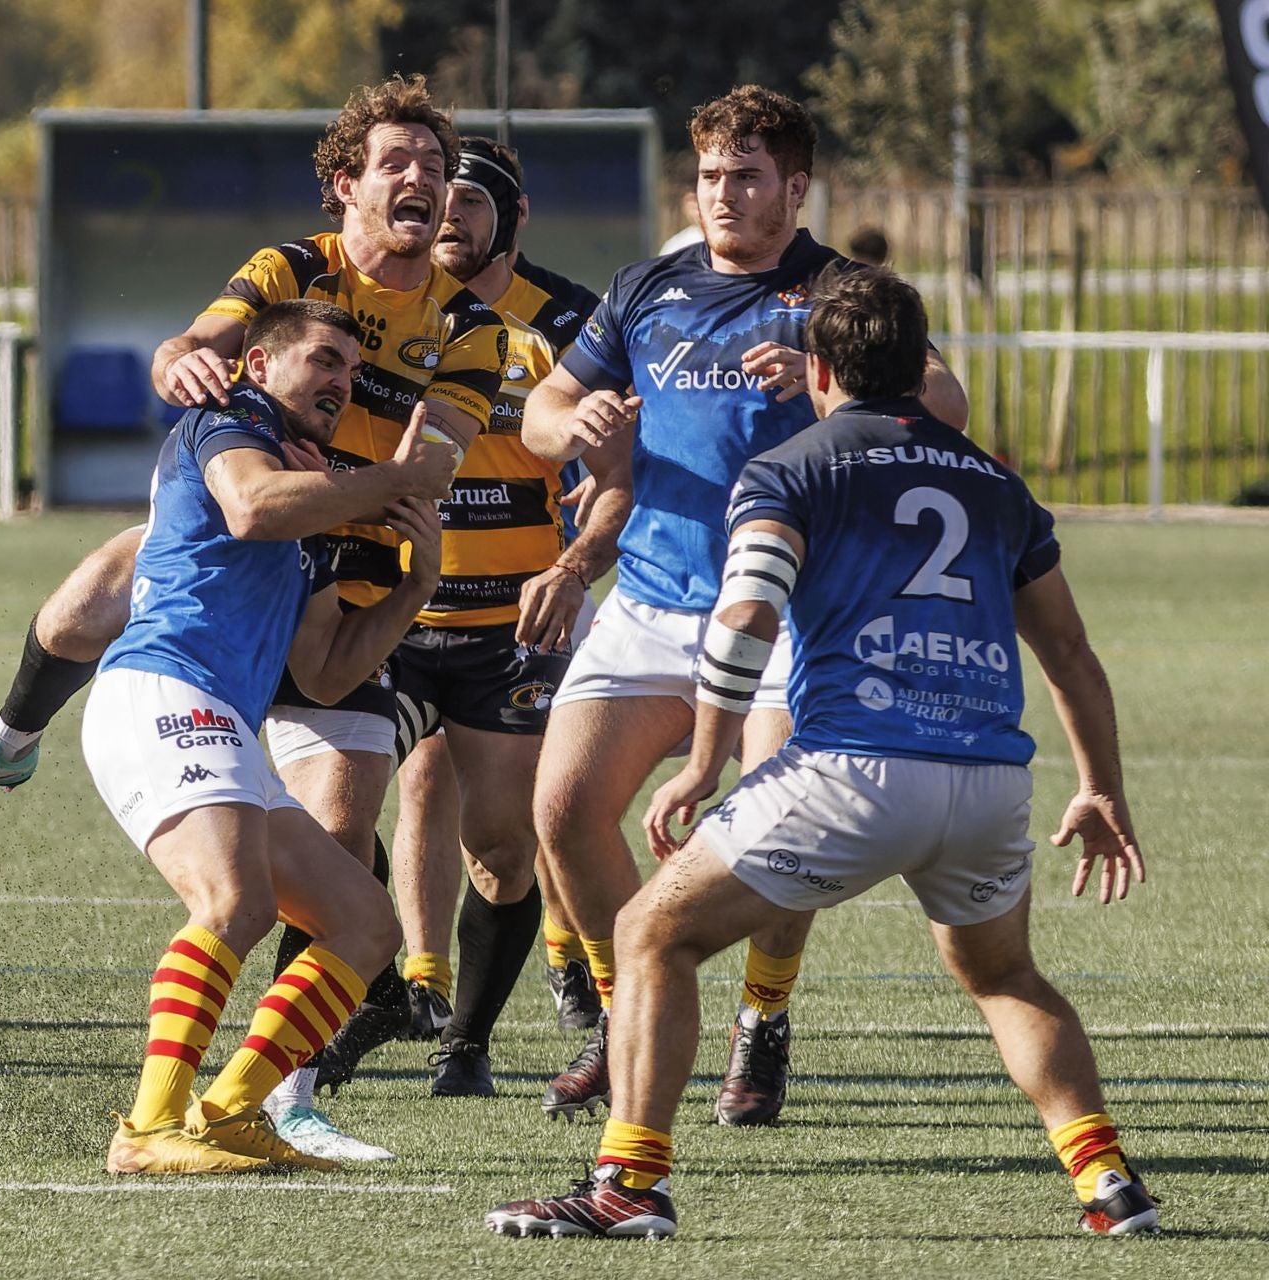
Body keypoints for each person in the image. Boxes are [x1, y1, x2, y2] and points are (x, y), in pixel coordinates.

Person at [0, 75, 498, 1160]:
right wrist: (184, 363)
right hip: (211, 611)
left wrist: (403, 578)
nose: (423, 184)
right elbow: (206, 398)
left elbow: (423, 480)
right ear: (345, 184)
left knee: (358, 904)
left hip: (325, 557)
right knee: (110, 602)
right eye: (399, 163)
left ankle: (260, 1097)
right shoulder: (275, 316)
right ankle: (9, 746)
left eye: (436, 171)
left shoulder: (468, 326)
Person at [486, 264, 1157, 1240]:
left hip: (853, 769)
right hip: (987, 783)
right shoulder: (995, 482)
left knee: (649, 933)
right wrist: (1098, 785)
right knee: (1006, 974)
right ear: (915, 363)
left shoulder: (795, 465)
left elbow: (748, 610)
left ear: (818, 369)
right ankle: (1107, 1180)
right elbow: (1070, 652)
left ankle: (627, 1183)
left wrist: (707, 755)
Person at [521, 84, 971, 1126]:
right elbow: (544, 409)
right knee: (561, 809)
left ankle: (761, 1018)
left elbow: (945, 405)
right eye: (711, 175)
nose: (723, 193)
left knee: (773, 825)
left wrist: (832, 364)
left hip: (792, 612)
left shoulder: (843, 289)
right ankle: (622, 1005)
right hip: (652, 598)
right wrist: (571, 417)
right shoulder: (646, 287)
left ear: (797, 187)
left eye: (747, 176)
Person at [91, 298, 447, 1174]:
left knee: (365, 923)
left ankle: (229, 1111)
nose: (341, 382)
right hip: (161, 690)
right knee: (236, 903)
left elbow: (326, 672)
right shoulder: (227, 420)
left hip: (222, 724)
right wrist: (391, 482)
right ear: (259, 365)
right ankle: (147, 1128)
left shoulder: (313, 487)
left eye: (352, 373)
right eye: (324, 361)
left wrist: (413, 586)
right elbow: (249, 508)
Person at [318, 137, 629, 1099]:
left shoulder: (568, 324)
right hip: (393, 610)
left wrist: (579, 556)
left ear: (514, 215)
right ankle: (396, 989)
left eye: (472, 200)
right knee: (347, 812)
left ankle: (468, 1041)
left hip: (512, 624)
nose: (447, 214)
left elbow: (616, 470)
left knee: (503, 841)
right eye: (435, 197)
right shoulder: (383, 308)